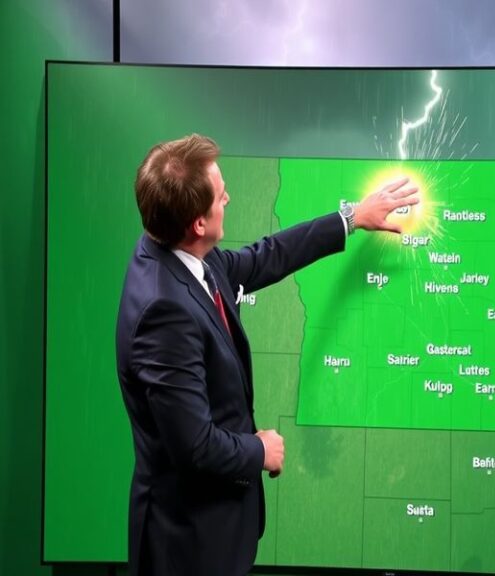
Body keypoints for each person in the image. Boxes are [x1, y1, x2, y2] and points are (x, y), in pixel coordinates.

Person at [116, 134, 417, 576]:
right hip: (188, 547)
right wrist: (259, 451)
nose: (229, 198)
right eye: (221, 196)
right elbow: (193, 446)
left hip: (213, 531)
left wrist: (351, 218)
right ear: (199, 223)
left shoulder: (177, 251)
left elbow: (262, 259)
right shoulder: (164, 312)